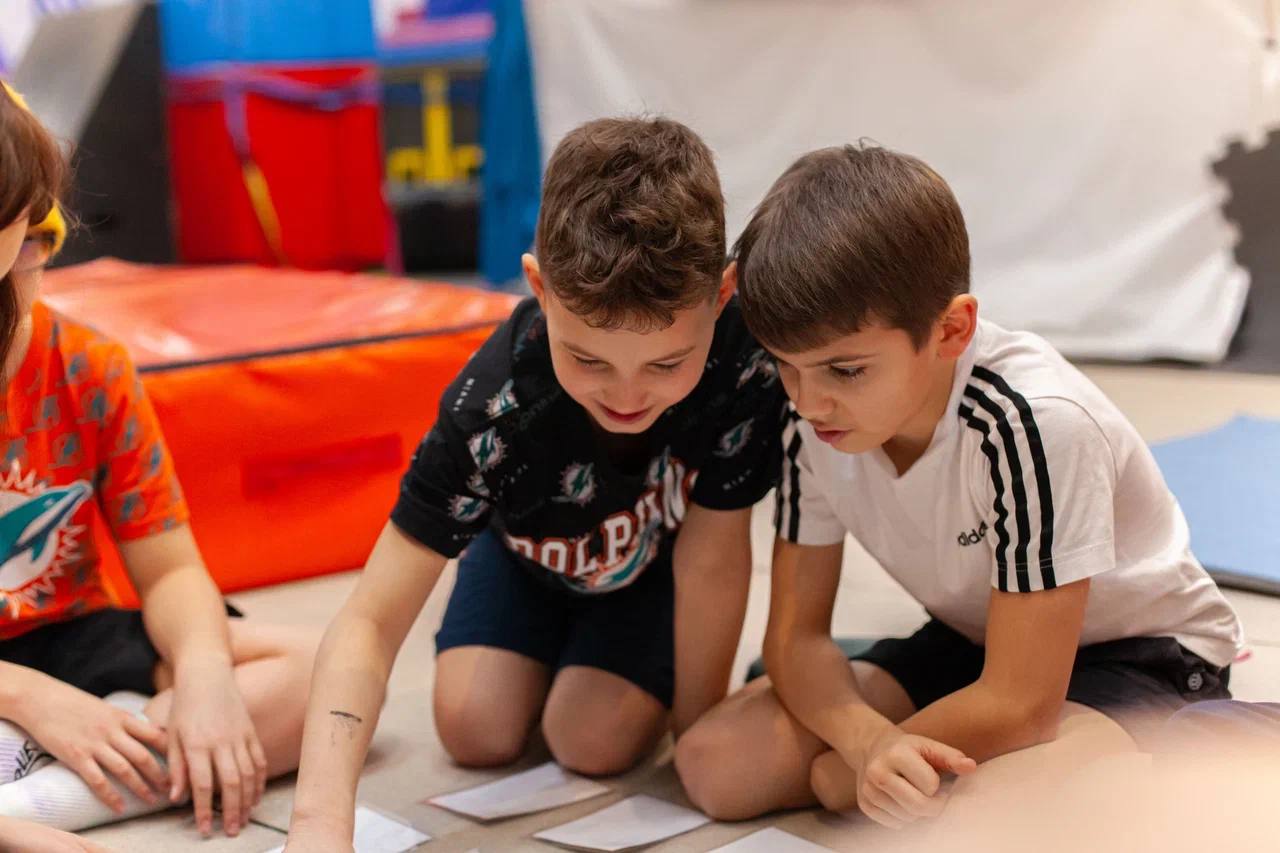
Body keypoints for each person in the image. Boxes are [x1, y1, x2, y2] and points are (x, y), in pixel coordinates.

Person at [673, 143, 1244, 825]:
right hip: (980, 644)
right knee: (717, 763)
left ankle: (1222, 745)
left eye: (844, 370)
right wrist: (870, 741)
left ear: (952, 328)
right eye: (787, 367)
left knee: (975, 817)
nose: (808, 401)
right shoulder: (809, 424)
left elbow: (1023, 701)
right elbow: (795, 640)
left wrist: (854, 763)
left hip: (1141, 657)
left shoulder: (1035, 421)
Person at [285, 116, 787, 850]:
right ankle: (547, 650)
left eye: (664, 364)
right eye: (588, 360)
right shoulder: (491, 405)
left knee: (594, 738)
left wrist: (696, 728)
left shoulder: (743, 364)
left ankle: (596, 670)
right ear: (539, 291)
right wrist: (318, 826)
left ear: (721, 294)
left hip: (650, 567)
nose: (626, 396)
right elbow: (368, 620)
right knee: (472, 727)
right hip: (525, 558)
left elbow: (713, 557)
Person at [0, 82, 314, 842]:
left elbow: (171, 570)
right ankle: (56, 784)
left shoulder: (87, 367)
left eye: (34, 240)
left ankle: (50, 787)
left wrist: (205, 683)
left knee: (315, 670)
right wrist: (34, 699)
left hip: (70, 636)